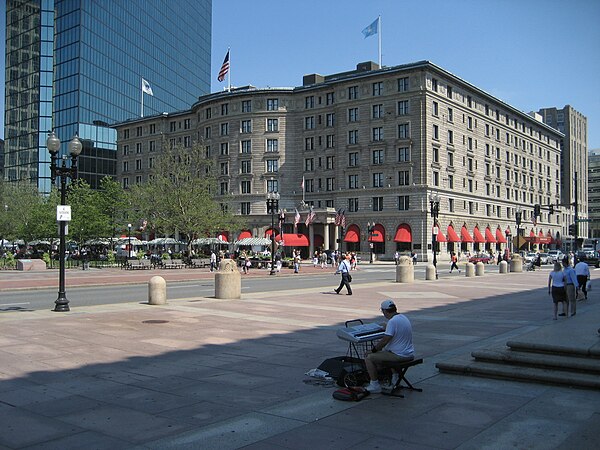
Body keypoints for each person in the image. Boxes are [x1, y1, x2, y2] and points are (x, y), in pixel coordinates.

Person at [364, 299, 414, 393]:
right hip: (409, 353)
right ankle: (395, 380)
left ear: (385, 311)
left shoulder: (392, 322)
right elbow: (396, 328)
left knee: (369, 357)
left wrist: (373, 350)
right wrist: (386, 326)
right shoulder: (403, 317)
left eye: (382, 311)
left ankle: (374, 385)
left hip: (399, 355)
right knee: (388, 352)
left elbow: (385, 340)